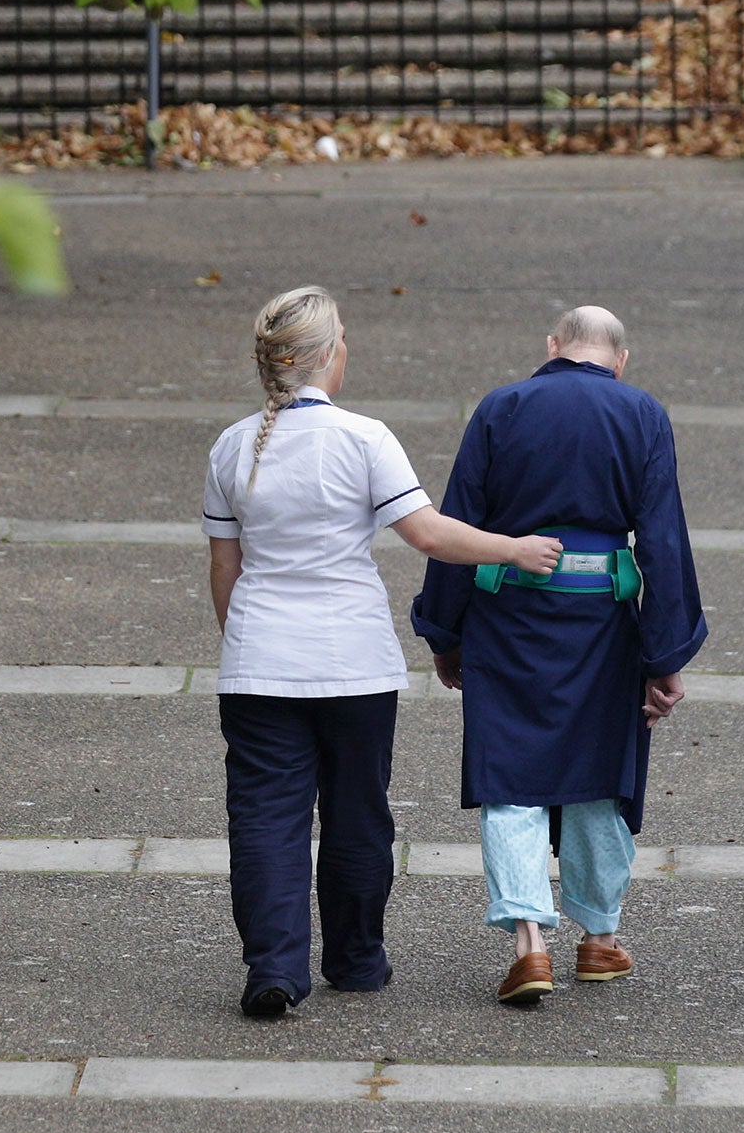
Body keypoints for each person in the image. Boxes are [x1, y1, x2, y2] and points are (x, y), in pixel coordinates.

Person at [203, 285, 564, 1020]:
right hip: (353, 664)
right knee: (357, 814)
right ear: (329, 356)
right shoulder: (365, 439)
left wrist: (241, 642)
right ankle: (356, 960)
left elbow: (225, 567)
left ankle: (272, 968)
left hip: (259, 662)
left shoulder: (232, 446)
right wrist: (517, 549)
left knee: (265, 819)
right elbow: (429, 534)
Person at [411, 305, 705, 1007]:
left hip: (508, 619)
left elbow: (459, 520)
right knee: (600, 776)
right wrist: (665, 655)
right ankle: (600, 939)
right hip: (602, 625)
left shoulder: (501, 407)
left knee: (510, 776)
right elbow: (662, 539)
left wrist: (445, 632)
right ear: (620, 359)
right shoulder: (642, 415)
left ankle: (529, 946)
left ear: (552, 347)